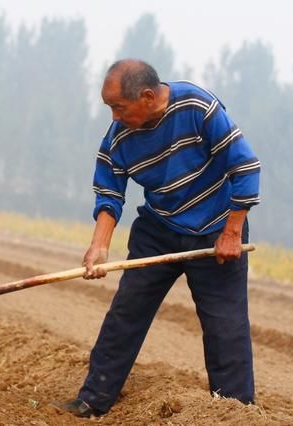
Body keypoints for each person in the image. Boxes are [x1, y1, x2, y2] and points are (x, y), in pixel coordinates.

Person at [57, 59, 260, 418]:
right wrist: (99, 246)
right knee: (126, 313)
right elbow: (109, 191)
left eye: (118, 107)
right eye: (109, 108)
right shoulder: (118, 136)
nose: (114, 117)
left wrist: (231, 232)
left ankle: (235, 413)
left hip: (215, 229)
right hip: (159, 229)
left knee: (225, 325)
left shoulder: (197, 108)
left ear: (148, 97)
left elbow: (245, 166)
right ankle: (93, 399)